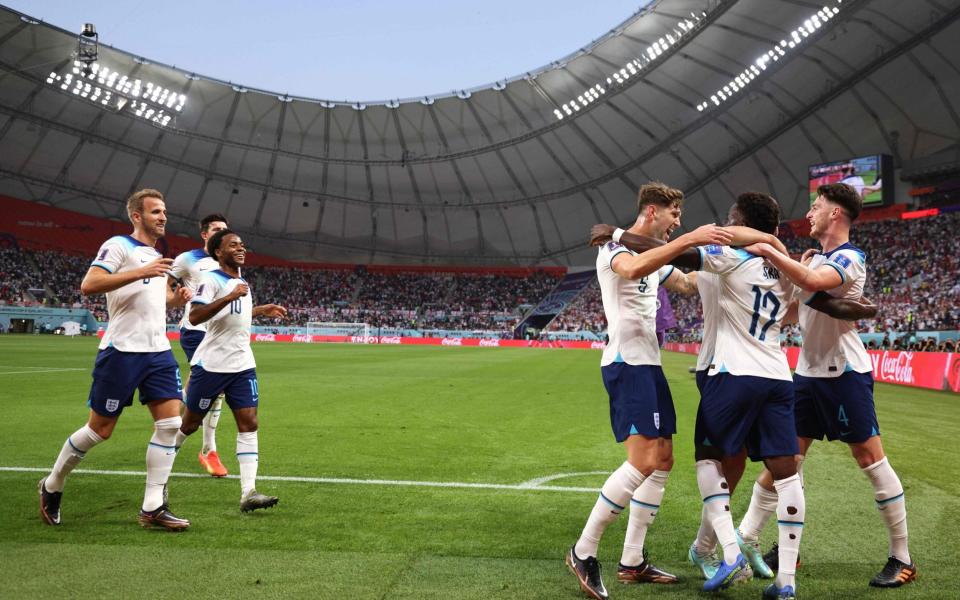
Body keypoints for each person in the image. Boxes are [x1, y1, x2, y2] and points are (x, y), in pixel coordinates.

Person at [592, 193, 877, 585]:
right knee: (779, 469)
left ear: (735, 225)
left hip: (726, 371)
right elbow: (822, 303)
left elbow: (678, 257)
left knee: (711, 461)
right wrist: (863, 308)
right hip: (777, 375)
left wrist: (620, 234)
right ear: (774, 230)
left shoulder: (726, 255)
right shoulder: (789, 267)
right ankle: (782, 578)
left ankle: (719, 551)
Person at [566, 182, 745, 600]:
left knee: (663, 459)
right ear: (651, 212)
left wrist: (731, 262)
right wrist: (688, 239)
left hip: (649, 365)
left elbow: (684, 283)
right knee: (644, 458)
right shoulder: (614, 252)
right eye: (673, 215)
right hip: (627, 364)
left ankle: (632, 561)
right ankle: (583, 550)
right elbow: (631, 270)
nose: (677, 222)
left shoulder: (649, 253)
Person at [741, 183, 916, 588]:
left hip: (844, 375)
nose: (811, 212)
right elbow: (792, 311)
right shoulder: (817, 258)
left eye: (817, 206)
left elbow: (816, 283)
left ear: (836, 213)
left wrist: (772, 251)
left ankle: (902, 558)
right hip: (806, 375)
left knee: (870, 460)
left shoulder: (850, 258)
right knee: (785, 462)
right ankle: (764, 543)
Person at [38, 188, 193, 530]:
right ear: (137, 216)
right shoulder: (119, 246)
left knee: (170, 425)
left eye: (164, 211)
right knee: (100, 430)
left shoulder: (154, 255)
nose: (163, 217)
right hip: (122, 352)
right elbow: (90, 284)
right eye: (155, 211)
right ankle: (52, 485)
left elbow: (150, 299)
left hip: (158, 353)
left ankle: (152, 507)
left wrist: (175, 299)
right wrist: (143, 271)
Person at [173, 229, 287, 512]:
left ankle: (248, 492)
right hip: (211, 365)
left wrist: (261, 310)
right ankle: (158, 473)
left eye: (242, 245)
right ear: (218, 252)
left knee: (249, 423)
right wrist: (228, 296)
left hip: (242, 364)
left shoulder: (242, 281)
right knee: (189, 425)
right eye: (233, 245)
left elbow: (236, 314)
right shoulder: (210, 280)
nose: (241, 248)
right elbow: (196, 316)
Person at [169, 213, 230, 477]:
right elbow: (167, 282)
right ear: (205, 234)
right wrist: (176, 297)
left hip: (221, 332)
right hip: (196, 330)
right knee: (215, 388)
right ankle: (208, 450)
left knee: (201, 385)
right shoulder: (188, 259)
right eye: (216, 229)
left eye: (224, 230)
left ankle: (172, 418)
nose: (221, 233)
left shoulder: (229, 263)